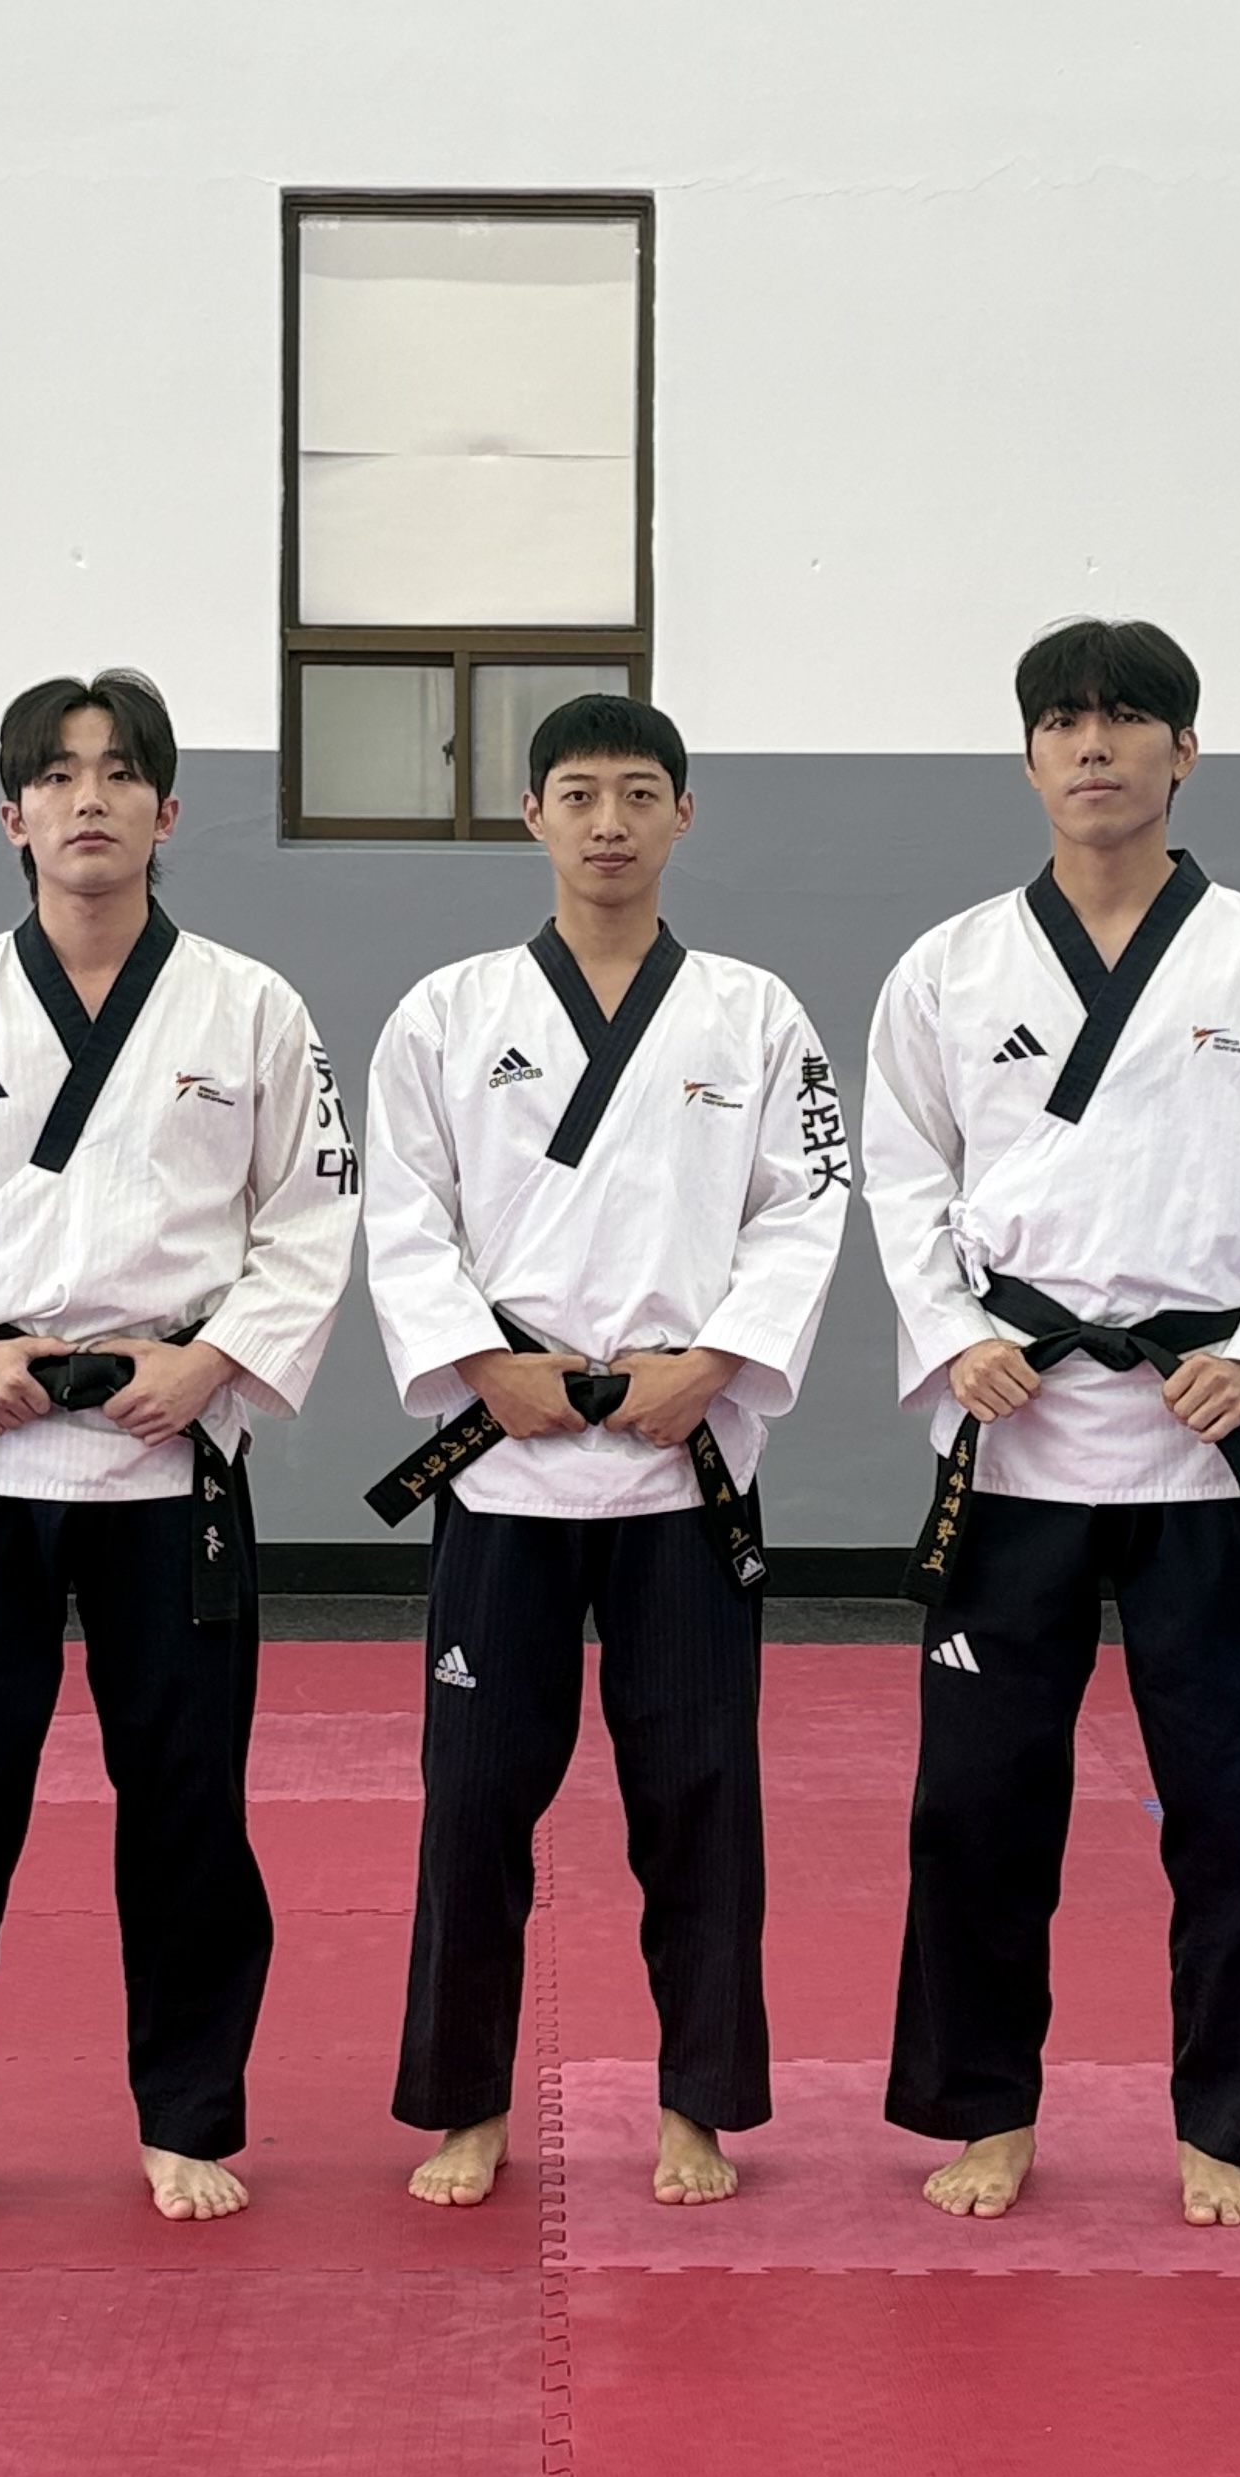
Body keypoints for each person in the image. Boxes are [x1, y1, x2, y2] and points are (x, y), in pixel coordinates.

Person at [0, 669, 359, 2228]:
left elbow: (315, 1212)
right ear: (13, 816)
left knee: (187, 1806)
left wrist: (215, 1361)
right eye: (57, 775)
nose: (89, 798)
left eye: (119, 773)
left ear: (169, 811)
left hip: (170, 1453)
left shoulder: (252, 1009)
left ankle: (188, 2112)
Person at [862, 619, 1240, 2229]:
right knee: (977, 1804)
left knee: (1232, 1804)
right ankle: (983, 2109)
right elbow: (903, 1174)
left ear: (1185, 750)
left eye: (1126, 719)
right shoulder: (950, 967)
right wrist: (953, 1335)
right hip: (1016, 1430)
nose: (1094, 746)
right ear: (1029, 757)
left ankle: (1229, 2118)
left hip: (1205, 1433)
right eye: (1064, 722)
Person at [361, 695, 848, 2210]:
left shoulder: (757, 1016)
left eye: (641, 793)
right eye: (578, 794)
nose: (610, 823)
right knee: (473, 1800)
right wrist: (479, 1365)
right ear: (532, 815)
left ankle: (699, 2104)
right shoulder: (446, 1013)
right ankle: (464, 2103)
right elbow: (403, 1212)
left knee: (699, 1797)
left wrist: (715, 1364)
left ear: (684, 814)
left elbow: (804, 1208)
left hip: (680, 1456)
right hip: (507, 1457)